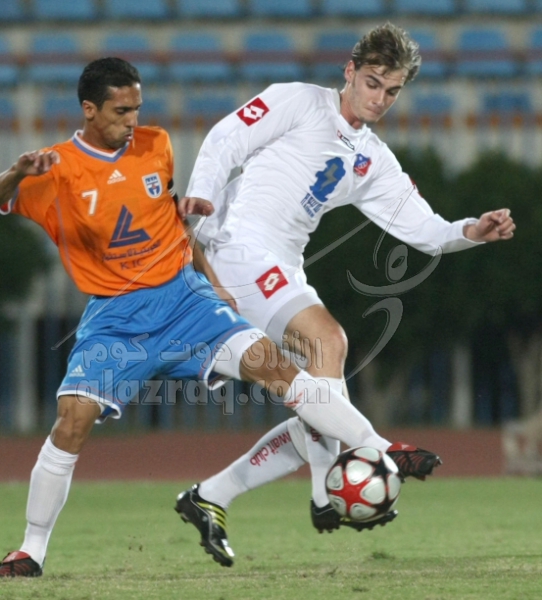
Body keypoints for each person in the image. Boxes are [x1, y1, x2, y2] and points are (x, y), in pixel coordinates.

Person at [0, 57, 435, 579]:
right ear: (90, 109)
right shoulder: (56, 168)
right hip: (116, 318)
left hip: (186, 300)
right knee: (71, 422)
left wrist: (213, 281)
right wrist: (17, 172)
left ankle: (380, 448)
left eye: (137, 108)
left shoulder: (155, 145)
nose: (133, 120)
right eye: (121, 111)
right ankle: (30, 551)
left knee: (276, 367)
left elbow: (173, 222)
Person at [174, 23, 516, 567]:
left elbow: (423, 228)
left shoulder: (372, 158)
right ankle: (352, 470)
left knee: (323, 378)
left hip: (283, 264)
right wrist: (201, 196)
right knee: (327, 342)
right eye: (372, 83)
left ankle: (214, 494)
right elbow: (226, 138)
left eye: (392, 91)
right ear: (350, 72)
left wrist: (471, 230)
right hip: (235, 245)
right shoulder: (299, 101)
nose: (379, 98)